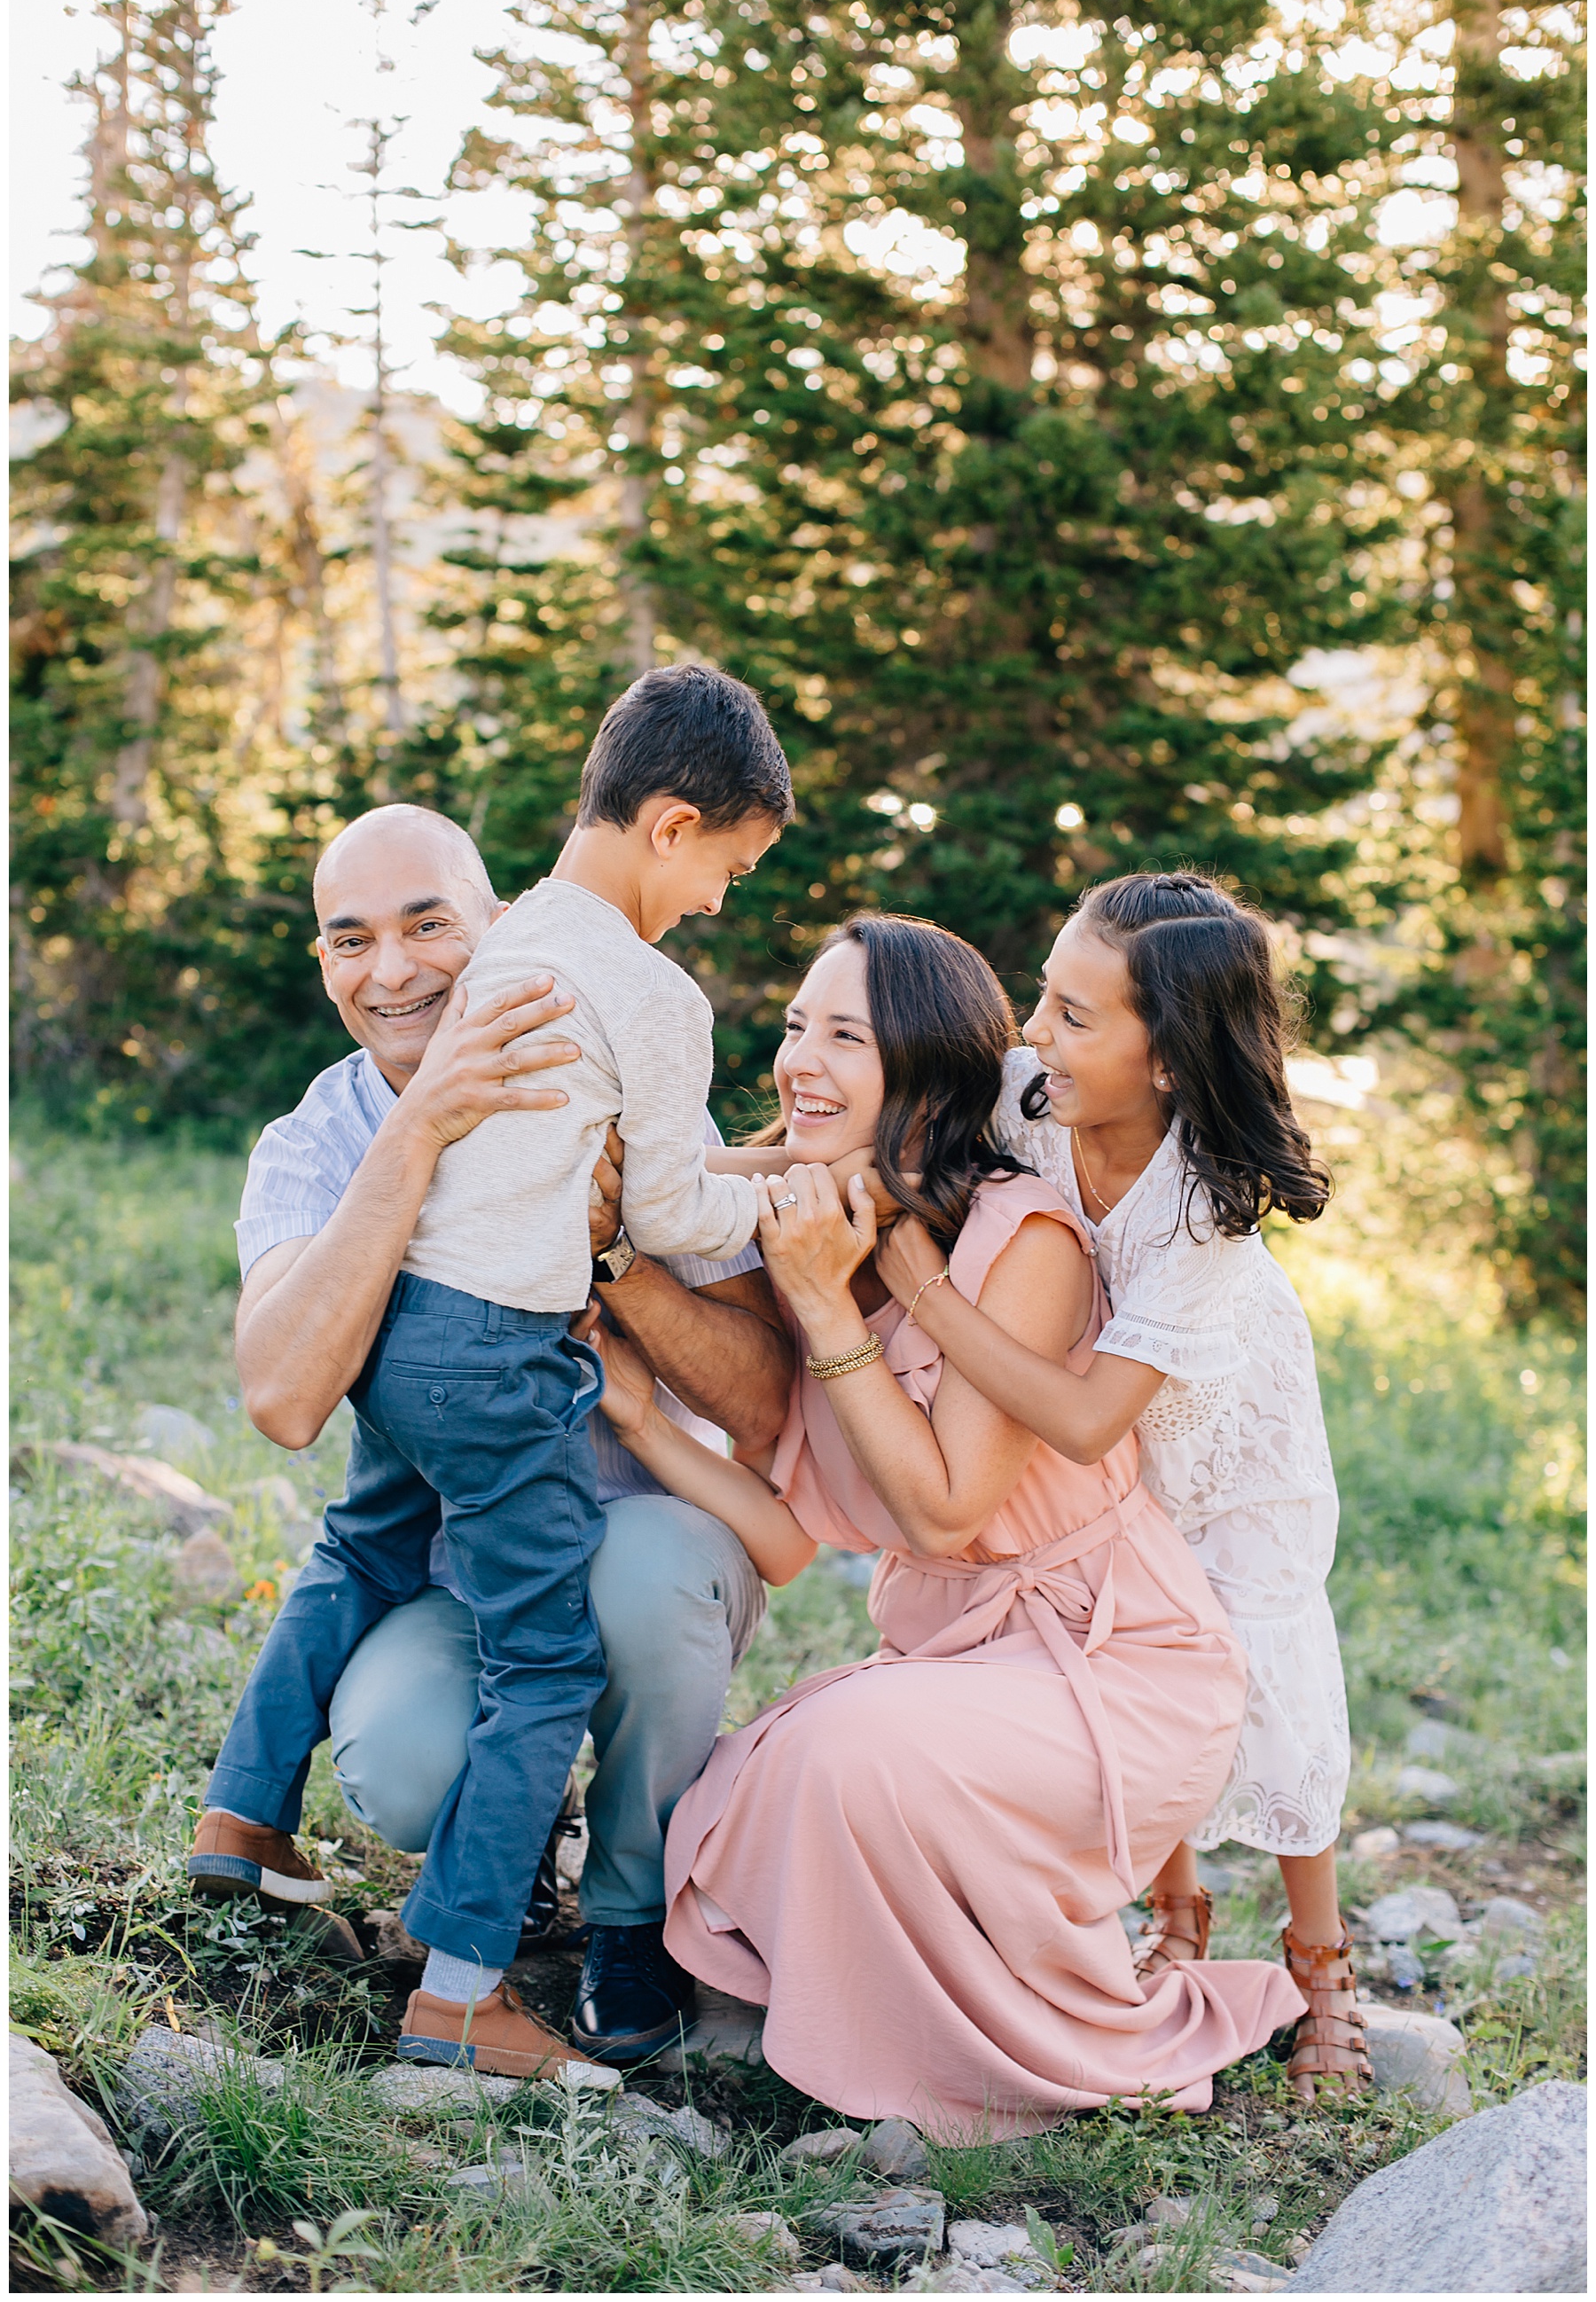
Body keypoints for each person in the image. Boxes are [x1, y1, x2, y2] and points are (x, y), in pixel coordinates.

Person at [590, 913, 1304, 2136]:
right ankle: (856, 1987)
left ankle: (993, 2041)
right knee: (730, 1789)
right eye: (795, 1025)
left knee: (842, 1755)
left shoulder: (1020, 1237)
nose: (799, 1058)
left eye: (846, 1035)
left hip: (1116, 1666)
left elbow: (942, 1502)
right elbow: (785, 1529)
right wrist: (641, 1406)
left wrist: (828, 1306)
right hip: (960, 1652)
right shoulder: (819, 1209)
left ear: (919, 1066)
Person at [192, 663, 793, 2080]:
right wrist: (793, 1193)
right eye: (730, 864)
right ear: (669, 824)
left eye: (424, 926)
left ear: (494, 914)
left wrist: (664, 1225)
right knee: (546, 1665)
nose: (392, 969)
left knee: (361, 1546)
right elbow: (687, 1209)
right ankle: (465, 1981)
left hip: (417, 1377)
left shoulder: (527, 966)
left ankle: (238, 1819)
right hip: (496, 1375)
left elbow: (749, 1369)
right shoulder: (623, 992)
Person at [874, 872, 1367, 2101]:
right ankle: (1177, 1907)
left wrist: (930, 1296)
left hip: (1220, 1448)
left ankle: (1325, 1968)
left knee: (1264, 1671)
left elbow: (1093, 1416)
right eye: (1045, 993)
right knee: (1122, 1657)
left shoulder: (1205, 1209)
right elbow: (885, 1131)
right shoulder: (1030, 1094)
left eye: (1076, 1013)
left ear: (1168, 1058)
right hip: (1109, 1460)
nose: (1035, 1027)